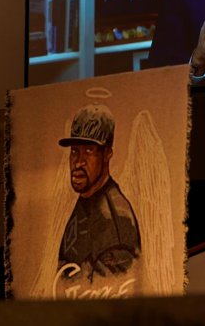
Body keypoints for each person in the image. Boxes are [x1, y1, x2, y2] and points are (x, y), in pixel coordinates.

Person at [57, 103, 141, 282]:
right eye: (74, 151)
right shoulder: (86, 200)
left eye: (89, 150)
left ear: (107, 153)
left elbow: (109, 293)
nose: (78, 162)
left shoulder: (115, 216)